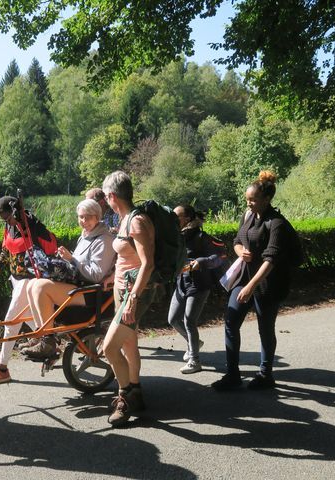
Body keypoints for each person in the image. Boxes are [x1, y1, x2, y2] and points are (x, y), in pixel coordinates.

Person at [212, 170, 295, 391]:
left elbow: (271, 260)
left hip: (268, 284)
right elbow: (237, 240)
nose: (248, 203)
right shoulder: (248, 216)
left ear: (266, 200)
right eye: (247, 199)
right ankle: (232, 374)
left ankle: (265, 374)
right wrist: (240, 251)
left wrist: (251, 287)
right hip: (244, 277)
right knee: (231, 321)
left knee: (265, 328)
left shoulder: (276, 223)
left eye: (253, 200)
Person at [21, 199, 116, 357]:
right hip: (80, 286)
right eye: (81, 217)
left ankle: (48, 341)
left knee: (40, 287)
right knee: (32, 284)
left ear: (98, 217)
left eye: (88, 217)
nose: (83, 221)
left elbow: (96, 275)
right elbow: (77, 267)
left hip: (93, 292)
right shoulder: (86, 235)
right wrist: (64, 260)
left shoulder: (104, 239)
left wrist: (72, 259)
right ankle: (42, 334)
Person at [0, 195, 56, 385]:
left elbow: (49, 246)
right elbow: (6, 252)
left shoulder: (31, 226)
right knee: (29, 317)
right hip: (16, 279)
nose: (6, 222)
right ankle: (50, 343)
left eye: (7, 217)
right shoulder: (10, 226)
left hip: (29, 280)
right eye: (3, 219)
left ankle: (2, 369)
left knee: (11, 321)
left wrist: (29, 228)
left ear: (15, 212)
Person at [101, 171, 156, 427]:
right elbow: (128, 258)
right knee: (128, 346)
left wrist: (133, 297)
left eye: (105, 196)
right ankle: (137, 390)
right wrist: (114, 277)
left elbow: (148, 263)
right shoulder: (124, 219)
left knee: (109, 347)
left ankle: (125, 398)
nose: (105, 200)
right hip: (123, 290)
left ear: (112, 196)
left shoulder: (137, 222)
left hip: (134, 293)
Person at [168, 205, 225, 374]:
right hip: (181, 283)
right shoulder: (176, 236)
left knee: (189, 321)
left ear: (187, 219)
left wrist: (201, 261)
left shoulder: (201, 236)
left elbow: (219, 257)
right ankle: (195, 343)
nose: (173, 220)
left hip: (199, 285)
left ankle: (195, 360)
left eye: (176, 217)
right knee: (172, 319)